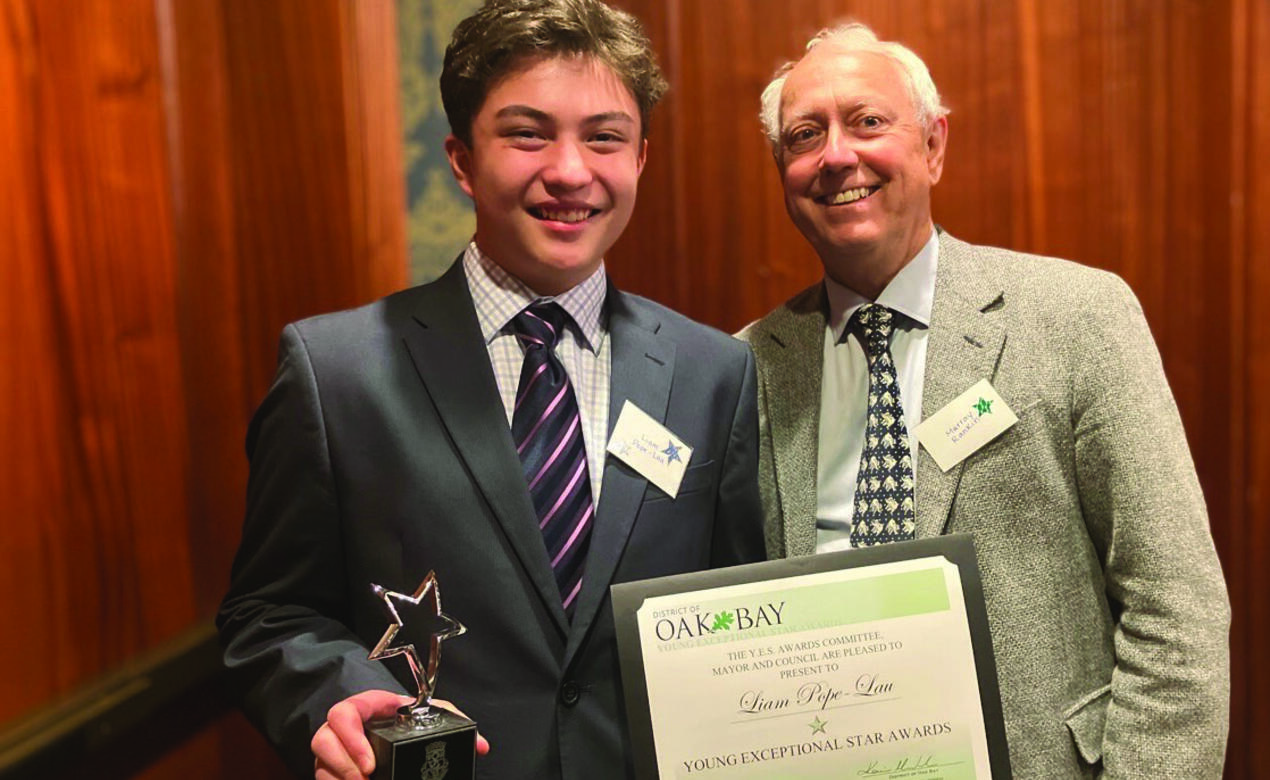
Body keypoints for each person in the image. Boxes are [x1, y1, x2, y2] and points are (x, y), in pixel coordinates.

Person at [216, 2, 765, 778]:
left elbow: (742, 615)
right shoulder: (335, 371)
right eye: (528, 133)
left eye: (604, 136)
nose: (571, 171)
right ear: (462, 159)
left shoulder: (715, 372)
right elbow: (268, 615)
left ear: (641, 158)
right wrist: (339, 698)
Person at [739, 22, 1229, 778]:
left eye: (868, 121)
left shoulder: (1075, 316)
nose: (837, 155)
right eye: (806, 135)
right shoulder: (748, 366)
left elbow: (1177, 611)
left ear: (934, 146)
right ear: (784, 173)